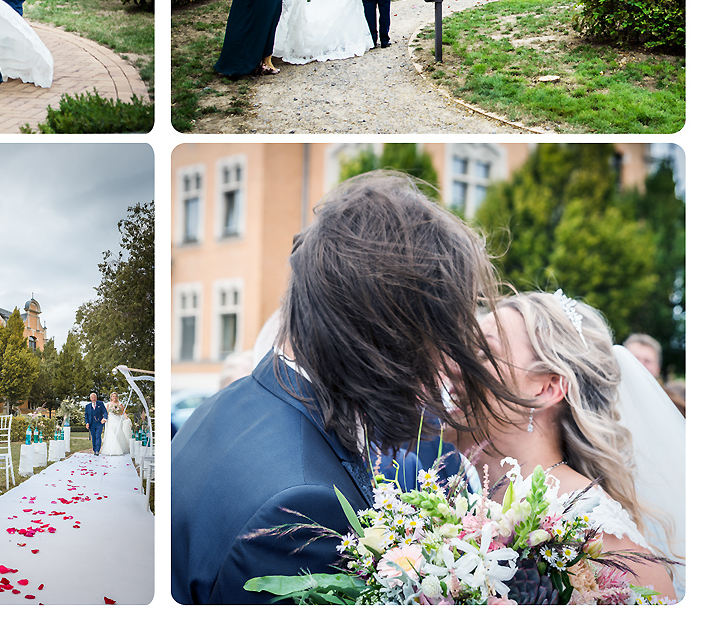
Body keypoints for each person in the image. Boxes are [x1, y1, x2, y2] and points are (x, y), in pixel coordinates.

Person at [171, 171, 529, 604]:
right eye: (443, 333)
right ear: (391, 328)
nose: (449, 364)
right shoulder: (300, 509)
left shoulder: (229, 404)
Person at [456, 292, 681, 600]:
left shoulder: (602, 540)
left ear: (547, 388)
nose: (454, 365)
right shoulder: (451, 503)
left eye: (483, 353)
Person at [102, 392, 132, 456]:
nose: (114, 397)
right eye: (113, 396)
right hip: (110, 420)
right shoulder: (109, 404)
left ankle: (120, 448)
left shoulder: (120, 404)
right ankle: (111, 449)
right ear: (111, 397)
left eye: (115, 396)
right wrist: (104, 419)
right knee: (111, 433)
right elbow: (106, 413)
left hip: (117, 420)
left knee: (118, 432)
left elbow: (123, 412)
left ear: (117, 397)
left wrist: (126, 417)